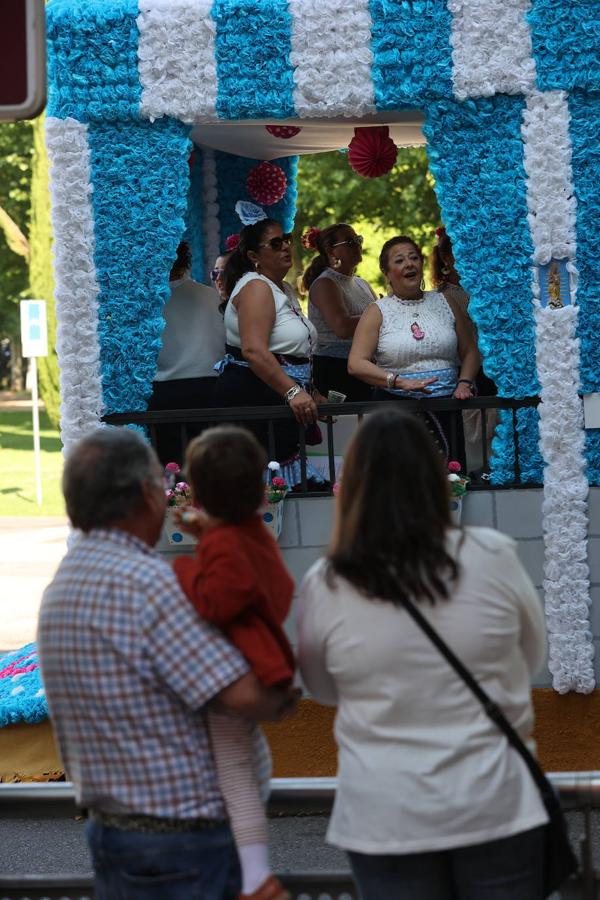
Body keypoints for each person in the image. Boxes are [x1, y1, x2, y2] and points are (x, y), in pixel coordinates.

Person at [297, 407, 548, 900]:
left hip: (384, 814)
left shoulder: (327, 581)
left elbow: (322, 689)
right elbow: (532, 655)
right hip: (495, 802)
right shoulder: (492, 553)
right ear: (435, 477)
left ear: (354, 486)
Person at [37, 428, 297, 900]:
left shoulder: (60, 588)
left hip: (112, 833)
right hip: (185, 843)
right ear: (144, 494)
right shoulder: (152, 585)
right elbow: (247, 698)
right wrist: (286, 687)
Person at [173, 426, 295, 900]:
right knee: (243, 763)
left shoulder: (224, 546)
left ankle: (255, 875)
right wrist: (210, 535)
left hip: (237, 672)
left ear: (197, 491)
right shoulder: (251, 534)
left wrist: (186, 569)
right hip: (259, 664)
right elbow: (262, 580)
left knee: (233, 772)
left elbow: (219, 601)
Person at [348, 235, 480, 469]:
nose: (409, 264)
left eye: (413, 257)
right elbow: (356, 363)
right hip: (396, 409)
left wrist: (464, 382)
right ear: (386, 272)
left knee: (450, 481)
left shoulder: (445, 301)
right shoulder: (378, 311)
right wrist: (398, 382)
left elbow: (470, 350)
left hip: (446, 407)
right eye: (399, 261)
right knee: (402, 481)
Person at [214, 218, 326, 489]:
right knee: (262, 492)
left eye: (287, 239)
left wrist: (309, 390)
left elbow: (287, 348)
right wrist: (292, 391)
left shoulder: (280, 288)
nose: (286, 247)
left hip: (276, 398)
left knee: (284, 494)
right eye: (275, 244)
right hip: (256, 398)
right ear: (254, 256)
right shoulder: (256, 287)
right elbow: (253, 350)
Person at [148, 241, 226, 465]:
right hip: (209, 391)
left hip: (164, 394)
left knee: (171, 471)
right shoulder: (210, 296)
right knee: (208, 466)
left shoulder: (150, 303)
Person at [302, 223, 376, 401]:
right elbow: (342, 327)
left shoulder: (361, 283)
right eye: (350, 242)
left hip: (363, 364)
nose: (357, 245)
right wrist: (380, 313)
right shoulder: (325, 284)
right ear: (331, 251)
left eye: (358, 239)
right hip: (336, 369)